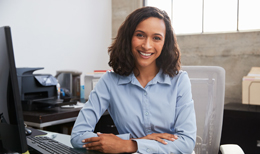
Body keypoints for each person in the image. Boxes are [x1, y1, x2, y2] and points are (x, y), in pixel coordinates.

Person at [71, 6, 196, 154]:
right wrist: (141, 141)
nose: (147, 45)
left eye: (156, 38)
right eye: (140, 35)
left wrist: (129, 145)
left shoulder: (179, 81)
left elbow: (186, 143)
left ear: (165, 43)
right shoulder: (109, 81)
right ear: (128, 37)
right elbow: (78, 136)